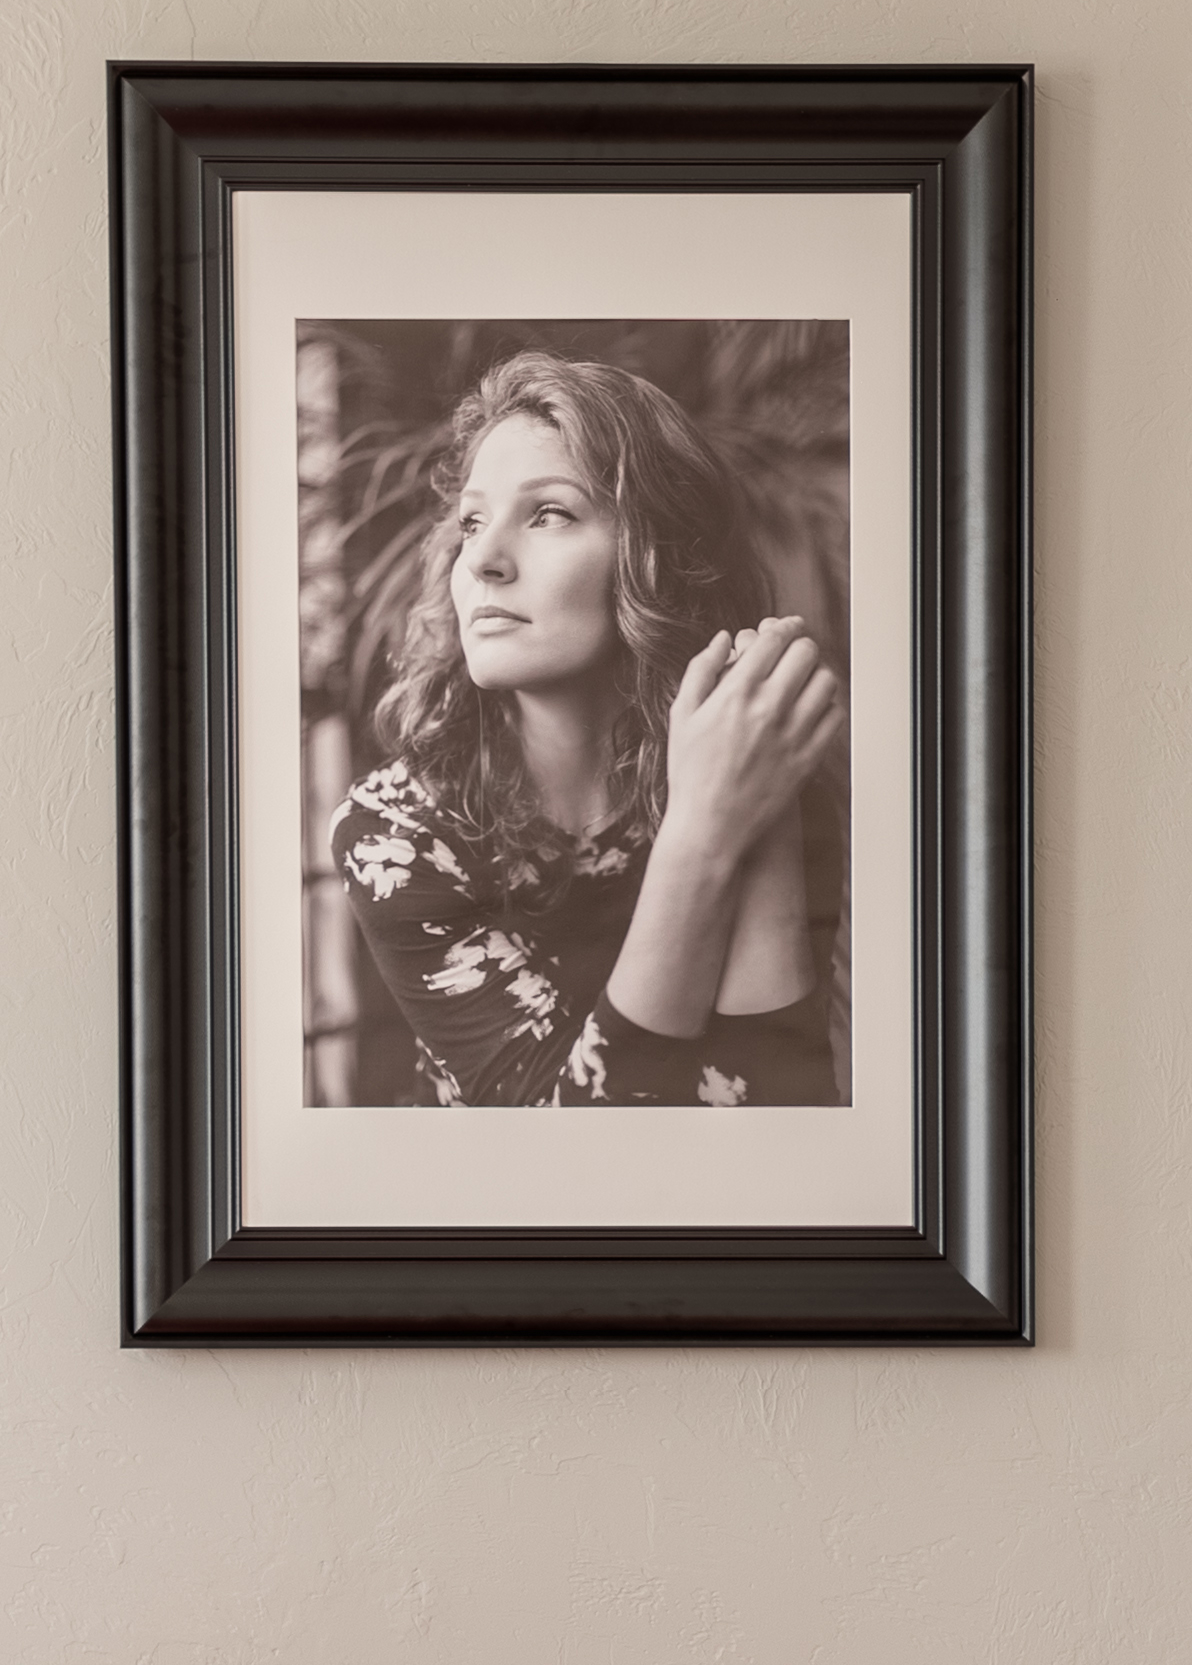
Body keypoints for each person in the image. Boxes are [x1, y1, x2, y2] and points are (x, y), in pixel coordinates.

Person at [327, 350, 846, 1108]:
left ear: (658, 560)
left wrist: (751, 812)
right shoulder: (396, 834)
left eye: (548, 513)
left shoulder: (758, 768)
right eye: (471, 522)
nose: (482, 562)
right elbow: (566, 1144)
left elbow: (778, 1114)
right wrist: (705, 833)